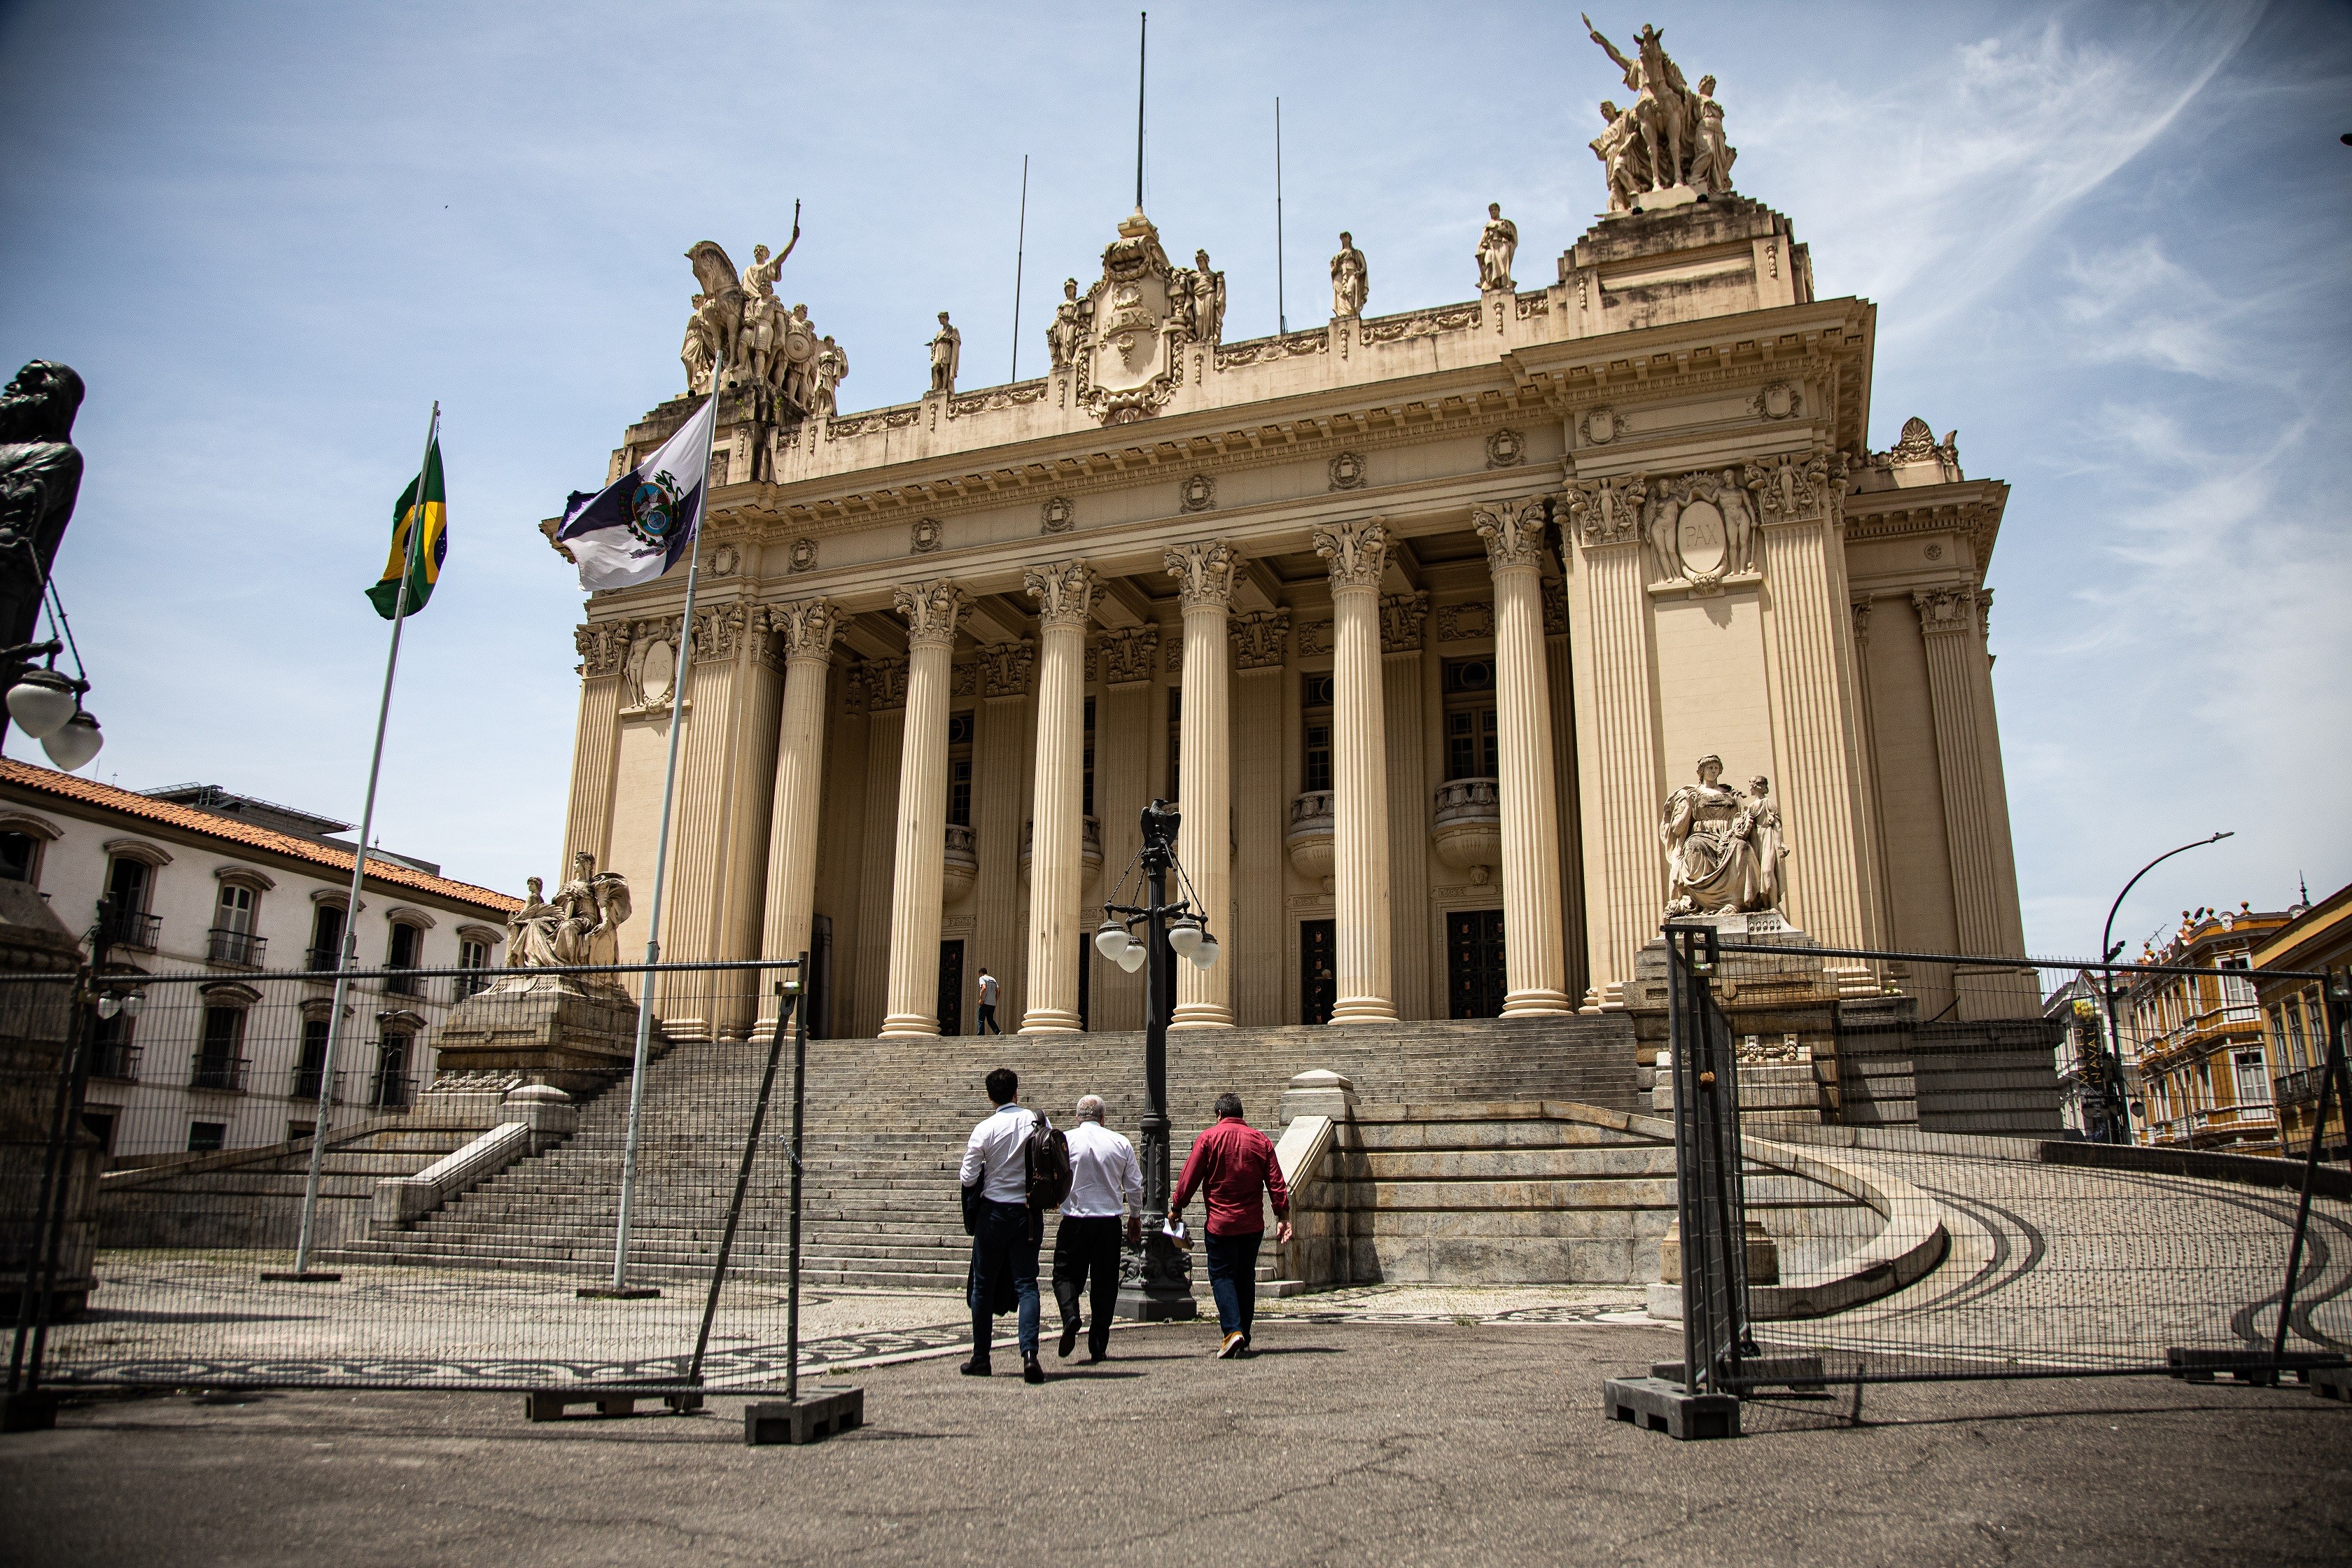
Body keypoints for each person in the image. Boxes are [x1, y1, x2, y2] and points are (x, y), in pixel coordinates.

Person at [1168, 1093, 1292, 1358]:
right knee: (1245, 1278)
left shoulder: (1209, 1138)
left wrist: (1177, 1206)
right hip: (1251, 1224)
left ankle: (1232, 1331)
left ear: (1220, 1115)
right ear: (1241, 1114)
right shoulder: (1261, 1141)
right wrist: (1283, 1216)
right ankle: (1243, 1336)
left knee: (1222, 1276)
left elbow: (1190, 1176)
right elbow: (1276, 1181)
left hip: (1220, 1224)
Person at [959, 1067, 1044, 1382]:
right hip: (1027, 1213)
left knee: (983, 1285)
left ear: (989, 1096)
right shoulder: (1036, 1122)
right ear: (1015, 1092)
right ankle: (1030, 1355)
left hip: (992, 1214)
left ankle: (981, 1358)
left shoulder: (984, 1128)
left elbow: (967, 1177)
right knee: (1026, 1284)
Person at [1054, 1095, 1142, 1362]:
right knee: (1104, 1284)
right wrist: (1135, 1216)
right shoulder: (1119, 1142)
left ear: (1077, 1117)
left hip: (1075, 1219)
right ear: (1103, 1118)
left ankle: (1070, 1315)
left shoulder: (1065, 1141)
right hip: (1108, 1222)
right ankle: (1098, 1344)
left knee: (1065, 1274)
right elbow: (1135, 1185)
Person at [975, 967, 1001, 1035]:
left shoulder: (982, 978)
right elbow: (998, 991)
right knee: (990, 1020)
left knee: (981, 1020)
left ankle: (981, 1034)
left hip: (985, 1002)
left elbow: (984, 987)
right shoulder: (993, 979)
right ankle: (998, 1032)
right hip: (992, 1004)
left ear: (981, 973)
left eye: (979, 974)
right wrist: (995, 1000)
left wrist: (981, 999)